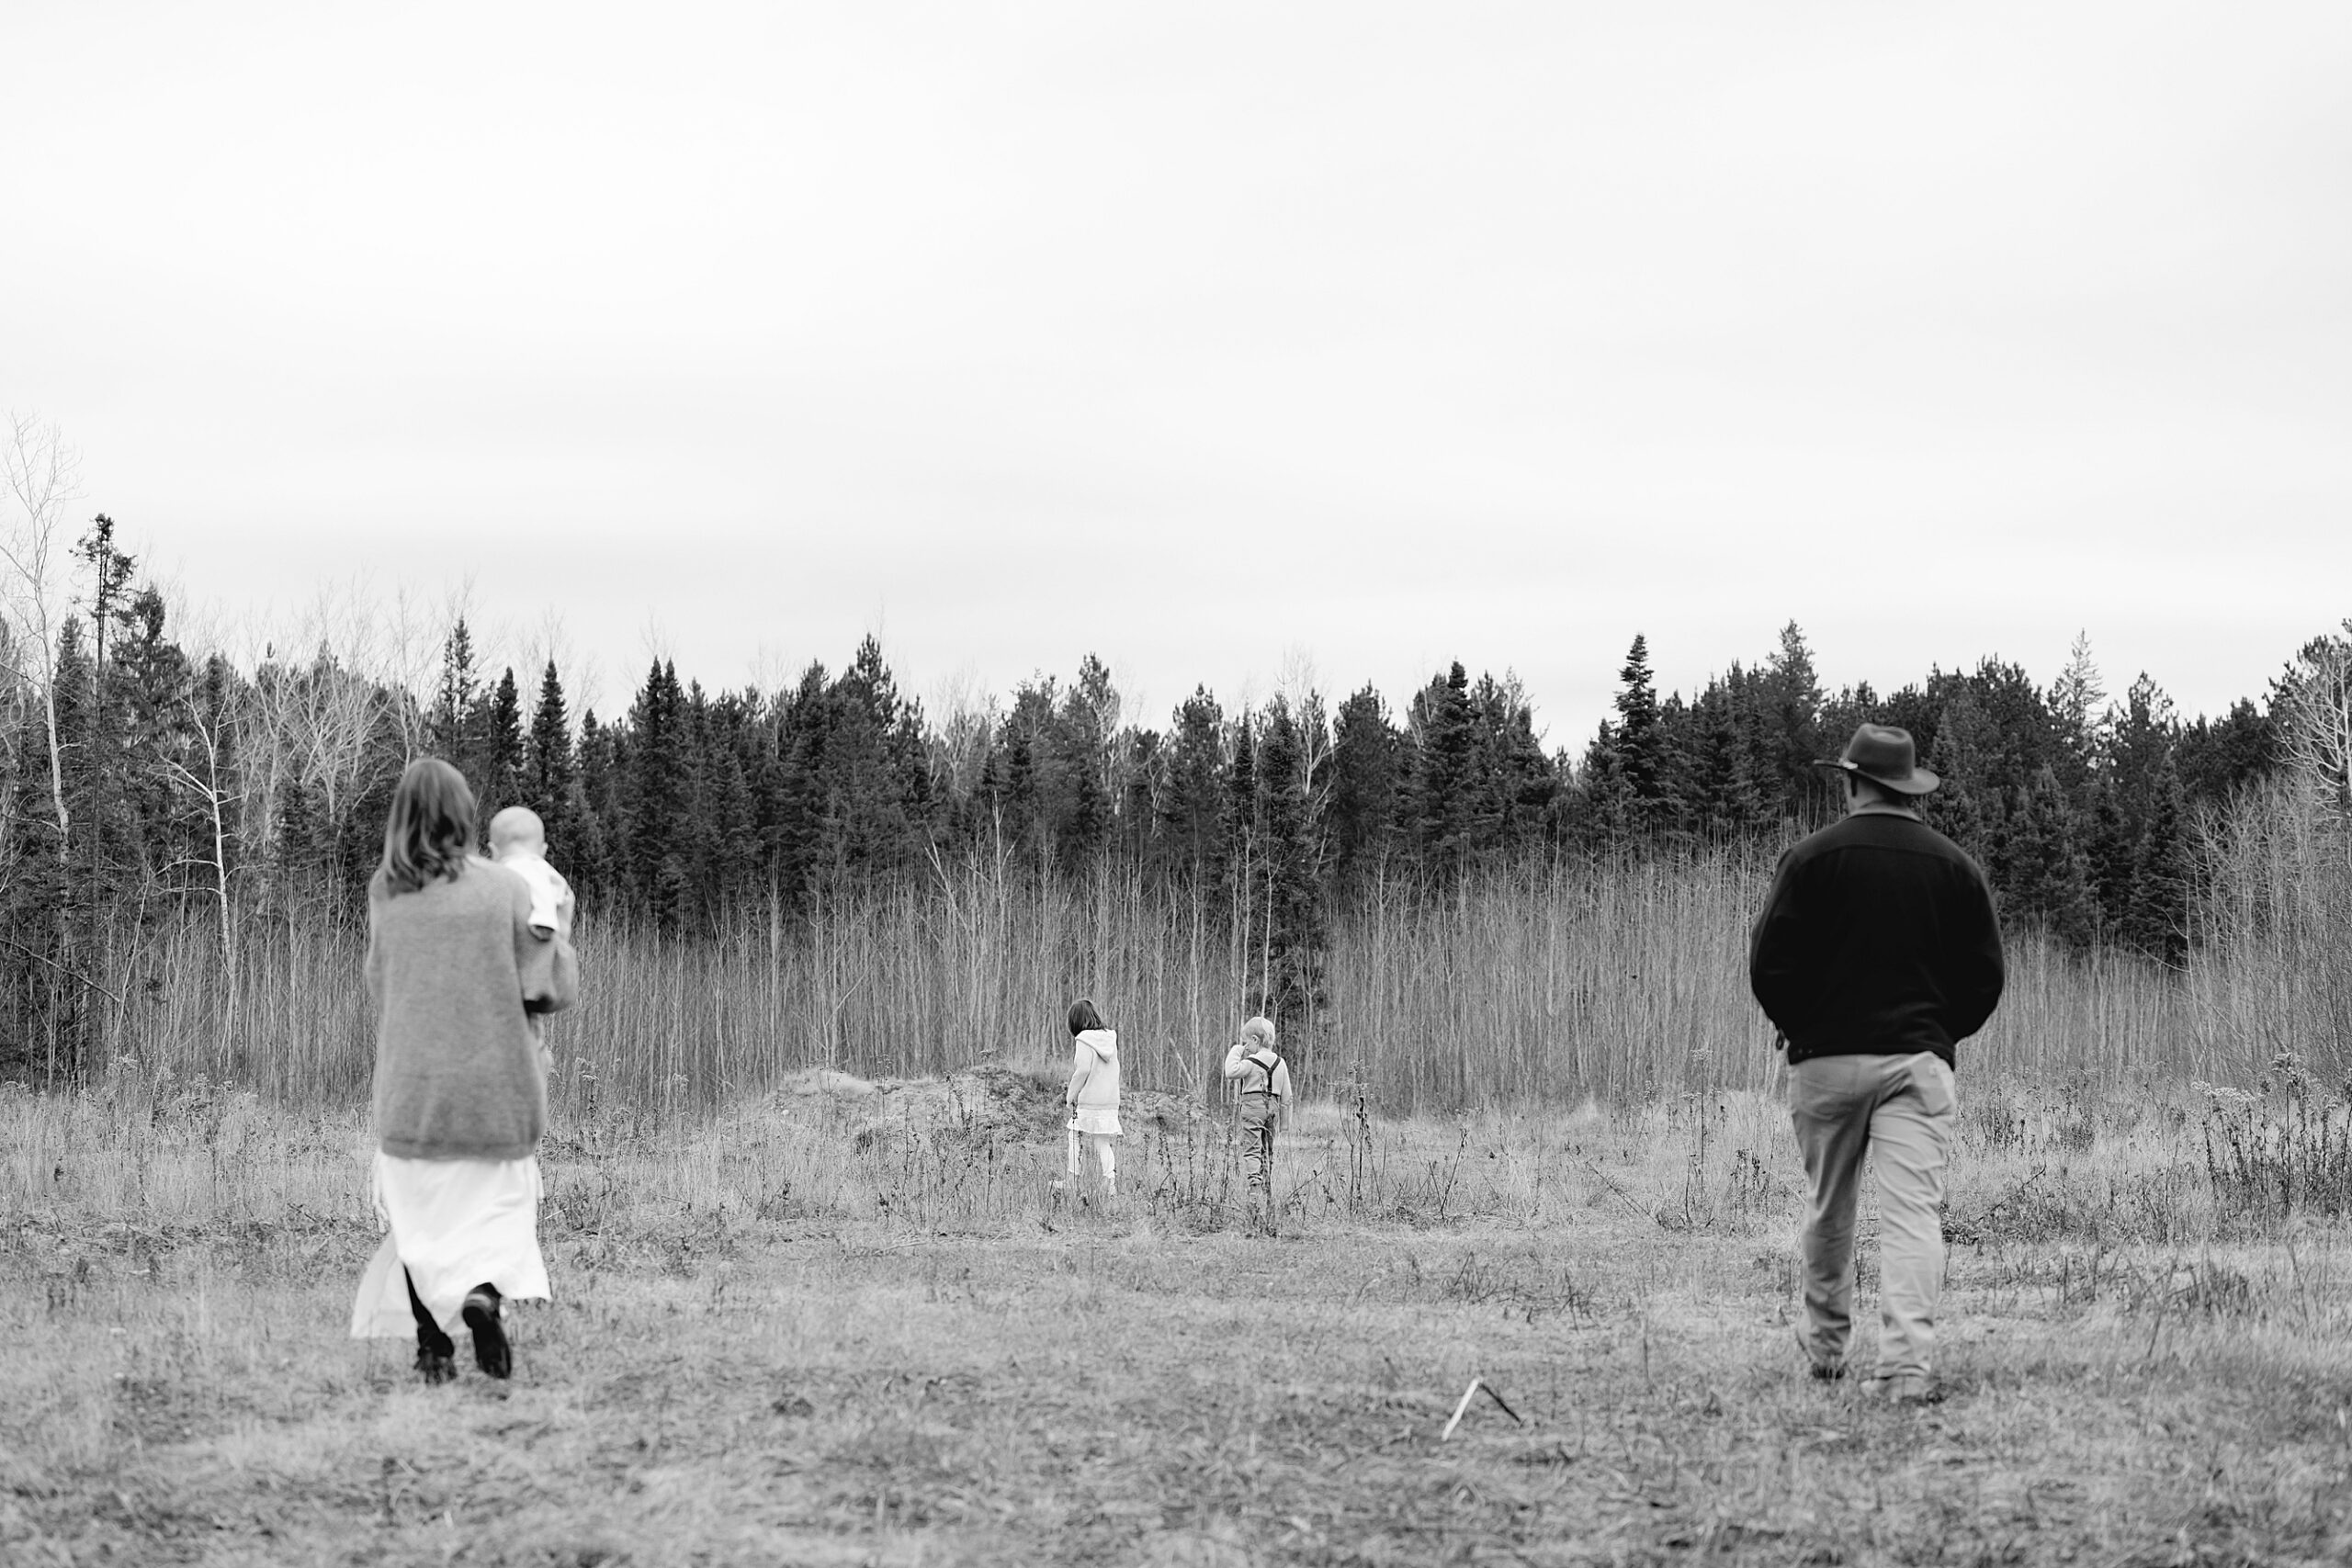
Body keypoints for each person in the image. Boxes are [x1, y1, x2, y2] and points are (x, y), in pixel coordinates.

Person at [1749, 723, 2005, 1404]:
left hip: (1825, 1062)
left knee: (1829, 1207)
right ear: (1909, 789)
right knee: (1913, 1217)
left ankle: (1826, 1352)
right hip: (1917, 1064)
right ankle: (1904, 1371)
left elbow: (1769, 965)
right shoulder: (1955, 867)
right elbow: (1985, 978)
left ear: (1853, 784)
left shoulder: (1810, 859)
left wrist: (1800, 1027)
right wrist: (1939, 1036)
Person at [349, 758, 579, 1382]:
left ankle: (433, 1349)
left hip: (412, 1094)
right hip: (495, 1093)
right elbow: (548, 988)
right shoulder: (505, 888)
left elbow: (380, 982)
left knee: (419, 1225)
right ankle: (483, 1295)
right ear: (465, 815)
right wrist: (560, 925)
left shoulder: (387, 892)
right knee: (497, 1215)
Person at [487, 805, 574, 1069]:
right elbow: (559, 984)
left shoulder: (496, 878)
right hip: (526, 996)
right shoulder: (543, 873)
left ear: (493, 850)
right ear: (543, 849)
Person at [1222, 1016, 1290, 1235]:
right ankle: (1267, 1186)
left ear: (1254, 1040)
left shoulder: (1251, 1062)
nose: (1245, 1047)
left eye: (1246, 1042)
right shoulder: (1280, 1063)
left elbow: (1231, 1071)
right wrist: (1285, 1124)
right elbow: (1287, 1096)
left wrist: (1236, 1050)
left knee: (1252, 1149)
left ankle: (1254, 1190)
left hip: (1252, 1106)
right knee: (1267, 1150)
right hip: (1273, 1108)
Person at [1061, 998, 1123, 1201]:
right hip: (1110, 1101)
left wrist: (1071, 1095)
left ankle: (1072, 1181)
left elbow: (1083, 1070)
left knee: (1074, 1136)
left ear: (1075, 1021)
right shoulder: (1110, 1039)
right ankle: (1110, 1186)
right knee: (1102, 1143)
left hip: (1090, 1101)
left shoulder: (1083, 1040)